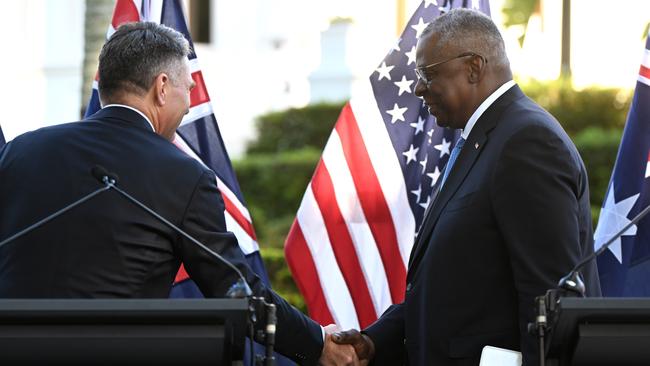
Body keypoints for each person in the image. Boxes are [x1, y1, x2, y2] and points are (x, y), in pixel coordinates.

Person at [0, 22, 357, 366]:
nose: (188, 104)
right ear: (162, 86)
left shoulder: (19, 151)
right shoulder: (185, 175)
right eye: (188, 88)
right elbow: (235, 290)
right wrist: (317, 345)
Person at [329, 8, 601, 365]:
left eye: (428, 73)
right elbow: (451, 287)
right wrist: (374, 341)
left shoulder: (526, 143)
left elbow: (548, 305)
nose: (418, 88)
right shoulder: (481, 140)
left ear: (473, 67)